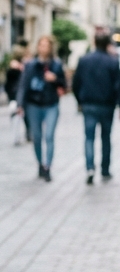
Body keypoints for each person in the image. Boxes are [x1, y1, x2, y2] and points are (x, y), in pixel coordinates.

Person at [72, 33, 120, 185]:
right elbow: (118, 86)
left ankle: (90, 168)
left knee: (89, 138)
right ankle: (105, 168)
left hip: (89, 104)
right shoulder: (112, 62)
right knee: (106, 138)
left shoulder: (84, 60)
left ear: (94, 42)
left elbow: (76, 83)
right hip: (107, 105)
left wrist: (79, 100)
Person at [16, 35, 66, 181]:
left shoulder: (56, 65)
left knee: (49, 136)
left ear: (51, 48)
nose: (44, 48)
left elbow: (64, 84)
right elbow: (23, 85)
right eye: (41, 45)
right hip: (34, 104)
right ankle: (40, 164)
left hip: (51, 104)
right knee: (37, 137)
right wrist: (20, 104)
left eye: (46, 45)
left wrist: (55, 79)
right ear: (38, 47)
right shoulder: (30, 65)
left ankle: (48, 166)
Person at [6, 41, 27, 145]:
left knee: (17, 117)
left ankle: (18, 136)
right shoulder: (16, 67)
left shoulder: (20, 66)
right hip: (15, 95)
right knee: (16, 117)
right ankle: (16, 137)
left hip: (14, 95)